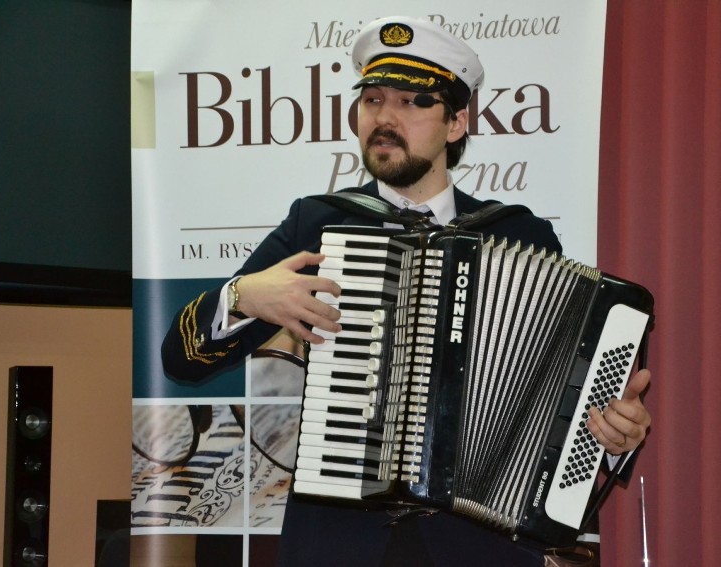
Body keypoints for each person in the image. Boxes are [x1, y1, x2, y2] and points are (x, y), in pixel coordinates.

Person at [161, 15, 652, 566]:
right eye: (372, 99)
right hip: (342, 542)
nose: (386, 117)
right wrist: (243, 298)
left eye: (413, 102)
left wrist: (613, 433)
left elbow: (561, 402)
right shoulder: (318, 223)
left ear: (456, 122)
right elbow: (182, 362)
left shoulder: (519, 234)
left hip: (477, 546)